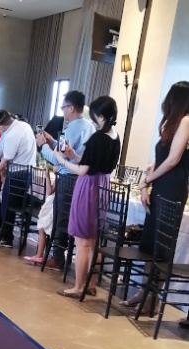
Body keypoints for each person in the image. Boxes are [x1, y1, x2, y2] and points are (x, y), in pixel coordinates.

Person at [121, 81, 189, 316]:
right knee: (150, 244)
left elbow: (173, 160)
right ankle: (144, 291)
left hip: (172, 189)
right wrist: (144, 184)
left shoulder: (186, 121)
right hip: (160, 186)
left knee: (162, 245)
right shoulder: (171, 123)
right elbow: (157, 160)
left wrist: (148, 181)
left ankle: (153, 298)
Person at [54, 96, 121, 298]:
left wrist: (62, 160)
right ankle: (90, 283)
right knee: (92, 239)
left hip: (88, 186)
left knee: (81, 239)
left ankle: (79, 286)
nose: (92, 120)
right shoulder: (114, 135)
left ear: (101, 116)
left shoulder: (97, 138)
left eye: (94, 116)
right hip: (102, 185)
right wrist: (74, 155)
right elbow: (93, 162)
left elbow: (83, 170)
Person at [36, 90, 96, 271]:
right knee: (67, 217)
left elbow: (57, 159)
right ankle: (61, 256)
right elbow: (65, 150)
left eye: (63, 107)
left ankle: (58, 258)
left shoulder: (74, 127)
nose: (62, 111)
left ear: (71, 108)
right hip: (80, 177)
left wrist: (43, 146)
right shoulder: (88, 126)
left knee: (62, 218)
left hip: (68, 178)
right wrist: (53, 141)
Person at [0, 110, 37, 247]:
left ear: (1, 126)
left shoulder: (13, 134)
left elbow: (7, 160)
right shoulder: (22, 126)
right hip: (25, 171)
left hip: (18, 173)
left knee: (7, 205)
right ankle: (4, 233)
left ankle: (6, 237)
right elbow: (3, 149)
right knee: (6, 203)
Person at [24, 167, 57, 264]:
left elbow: (50, 192)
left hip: (54, 207)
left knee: (42, 225)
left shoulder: (61, 175)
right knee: (43, 223)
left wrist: (47, 176)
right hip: (62, 209)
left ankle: (39, 255)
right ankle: (41, 255)